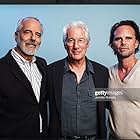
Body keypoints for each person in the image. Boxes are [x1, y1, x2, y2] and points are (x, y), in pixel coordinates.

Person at [46, 21, 109, 139]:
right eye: (70, 40)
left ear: (87, 44)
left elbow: (115, 106)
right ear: (65, 44)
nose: (76, 46)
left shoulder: (102, 73)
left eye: (81, 40)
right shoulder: (51, 72)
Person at [0, 17, 48, 139]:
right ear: (16, 36)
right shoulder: (2, 67)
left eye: (38, 34)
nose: (33, 38)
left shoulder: (42, 64)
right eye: (28, 32)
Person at [107, 20, 140, 139]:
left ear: (136, 43)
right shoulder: (107, 74)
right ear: (112, 44)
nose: (123, 42)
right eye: (118, 39)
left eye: (128, 38)